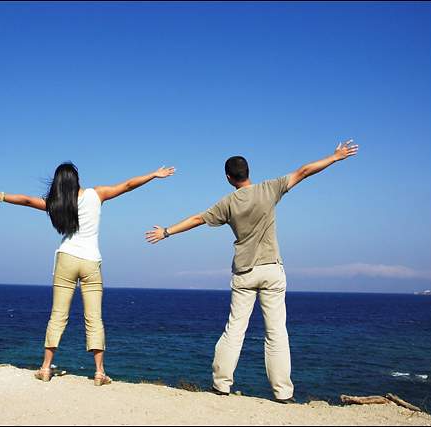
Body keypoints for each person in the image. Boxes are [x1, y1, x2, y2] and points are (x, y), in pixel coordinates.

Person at [145, 140, 358, 402]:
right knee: (276, 333)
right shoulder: (269, 189)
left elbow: (198, 219)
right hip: (271, 269)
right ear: (248, 172)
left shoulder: (227, 203)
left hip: (244, 271)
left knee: (234, 330)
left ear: (228, 177)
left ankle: (221, 385)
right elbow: (304, 171)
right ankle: (283, 393)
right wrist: (335, 157)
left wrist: (166, 232)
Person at [0, 162, 175, 386]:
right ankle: (99, 372)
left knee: (57, 316)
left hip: (66, 259)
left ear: (58, 183)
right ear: (77, 178)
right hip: (91, 261)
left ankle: (45, 368)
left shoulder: (56, 203)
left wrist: (0, 196)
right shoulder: (96, 194)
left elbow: (26, 200)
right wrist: (154, 174)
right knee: (94, 318)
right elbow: (128, 185)